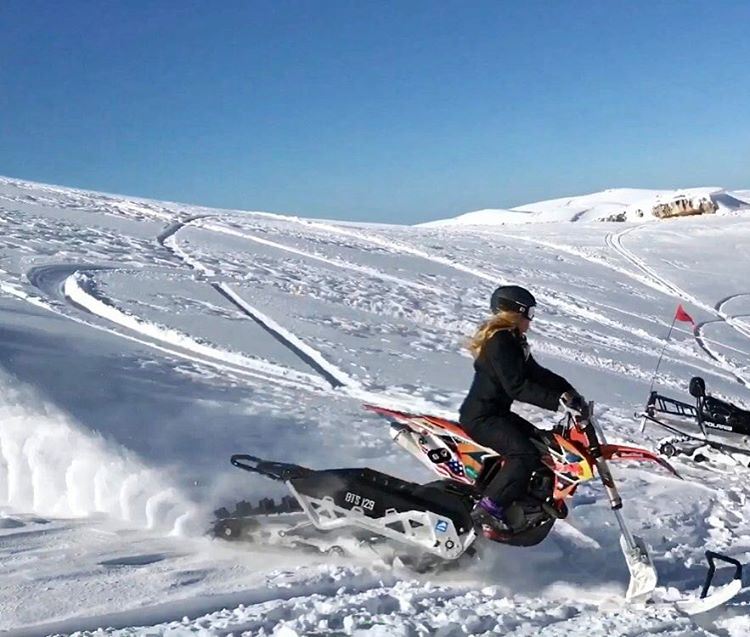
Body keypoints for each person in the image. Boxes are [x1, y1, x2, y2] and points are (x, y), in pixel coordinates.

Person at [458, 285, 584, 531]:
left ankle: (525, 503)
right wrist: (556, 402)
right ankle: (489, 508)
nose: (531, 320)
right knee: (524, 454)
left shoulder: (513, 339)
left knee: (542, 445)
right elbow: (517, 386)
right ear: (517, 312)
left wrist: (569, 392)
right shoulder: (500, 342)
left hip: (497, 414)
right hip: (482, 417)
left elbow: (536, 373)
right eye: (530, 313)